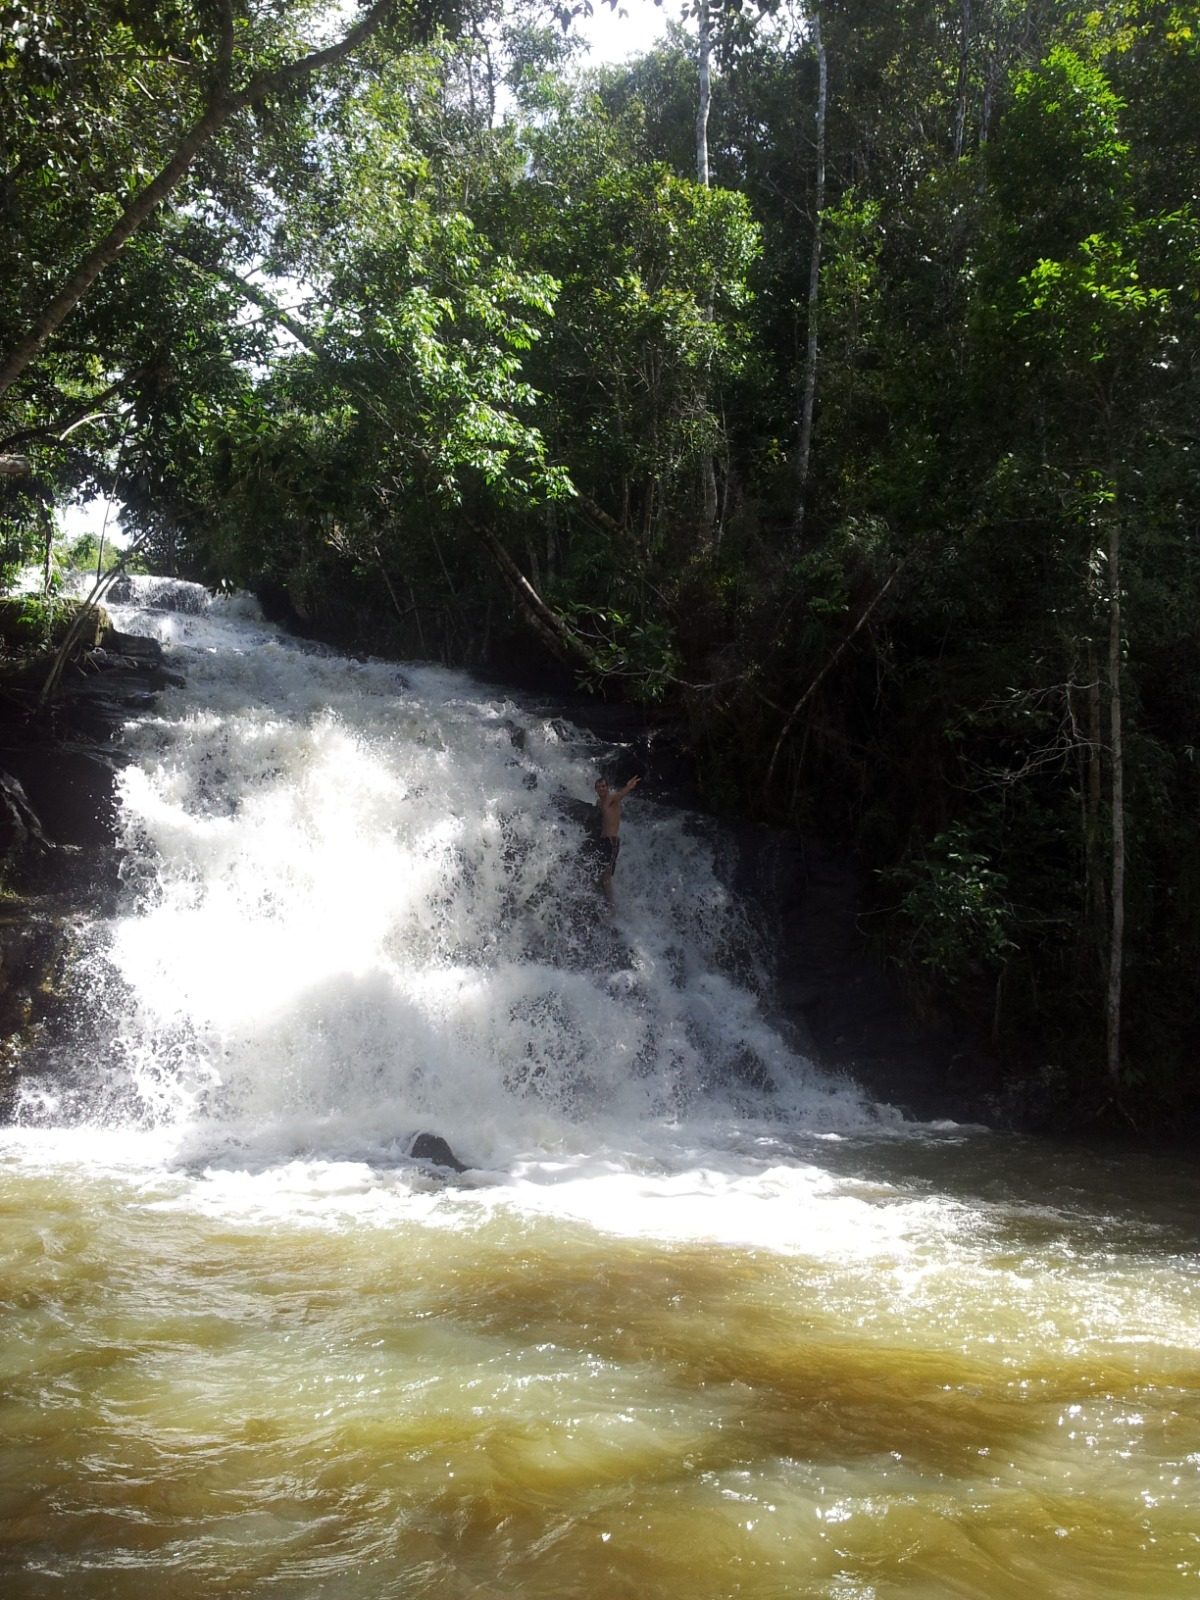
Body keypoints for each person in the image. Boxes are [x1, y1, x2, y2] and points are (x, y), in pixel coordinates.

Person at [592, 772, 640, 901]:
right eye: (599, 787)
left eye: (604, 786)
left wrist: (629, 787)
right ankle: (601, 900)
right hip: (602, 841)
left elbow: (621, 794)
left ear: (607, 788)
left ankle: (613, 906)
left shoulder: (612, 799)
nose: (602, 788)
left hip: (611, 841)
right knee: (598, 871)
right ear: (596, 789)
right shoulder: (599, 803)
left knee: (606, 874)